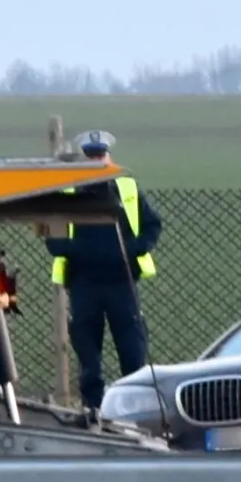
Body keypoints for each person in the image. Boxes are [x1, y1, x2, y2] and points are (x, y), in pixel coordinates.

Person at [46, 131, 163, 419]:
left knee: (132, 352)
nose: (97, 160)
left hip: (122, 283)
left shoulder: (127, 187)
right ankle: (93, 410)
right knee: (89, 355)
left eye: (101, 155)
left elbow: (152, 225)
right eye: (91, 155)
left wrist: (133, 249)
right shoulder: (68, 191)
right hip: (84, 284)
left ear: (108, 156)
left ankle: (135, 411)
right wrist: (77, 250)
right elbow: (52, 237)